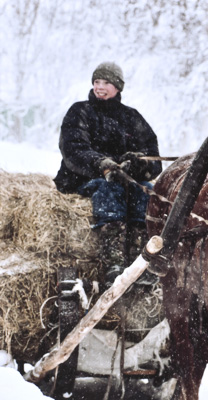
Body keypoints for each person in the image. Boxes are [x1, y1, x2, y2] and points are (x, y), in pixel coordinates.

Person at [54, 61, 162, 284]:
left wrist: (138, 163)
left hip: (125, 181)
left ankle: (141, 262)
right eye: (96, 82)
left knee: (147, 194)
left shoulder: (132, 118)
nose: (99, 87)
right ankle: (114, 262)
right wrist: (102, 164)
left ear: (118, 88)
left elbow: (153, 157)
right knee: (110, 190)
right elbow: (73, 149)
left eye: (105, 83)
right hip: (83, 179)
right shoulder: (80, 111)